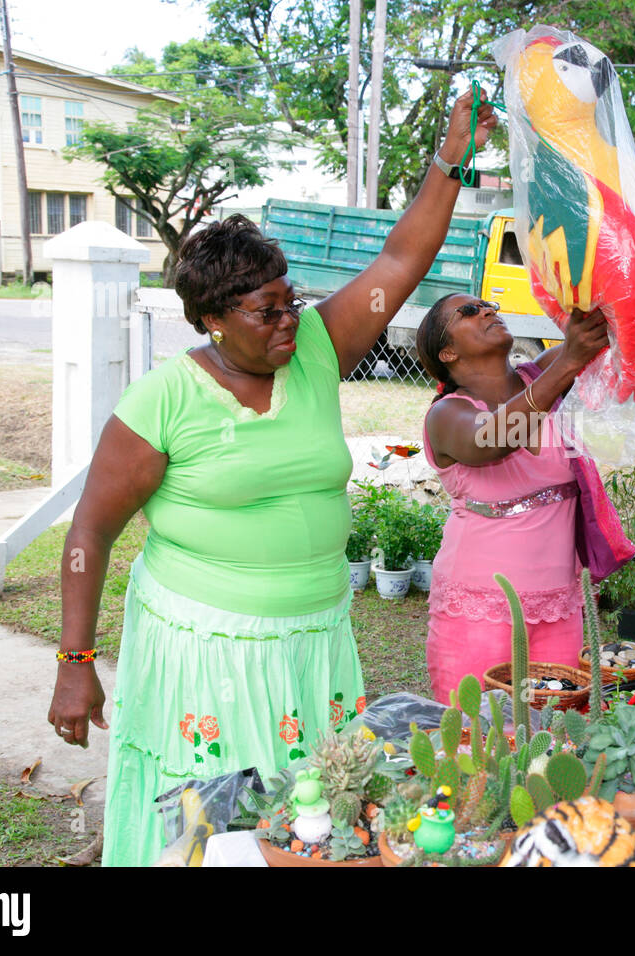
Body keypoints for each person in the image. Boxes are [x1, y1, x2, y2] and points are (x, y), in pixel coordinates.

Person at [46, 89, 496, 867]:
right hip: (203, 647)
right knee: (203, 812)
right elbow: (90, 531)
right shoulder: (164, 400)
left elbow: (399, 261)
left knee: (312, 808)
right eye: (267, 310)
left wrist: (451, 159)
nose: (290, 319)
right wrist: (75, 664)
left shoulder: (318, 345)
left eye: (291, 299)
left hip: (311, 641)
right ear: (212, 319)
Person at [417, 294, 617, 702]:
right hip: (477, 611)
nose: (488, 311)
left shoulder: (541, 376)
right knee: (478, 743)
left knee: (556, 741)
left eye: (488, 304)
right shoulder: (446, 414)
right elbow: (491, 439)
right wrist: (567, 362)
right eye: (469, 312)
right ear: (448, 352)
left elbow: (603, 334)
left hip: (558, 605)